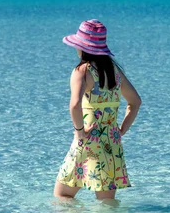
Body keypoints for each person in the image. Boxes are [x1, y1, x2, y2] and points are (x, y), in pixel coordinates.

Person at [54, 19, 142, 201]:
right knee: (107, 203)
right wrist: (122, 130)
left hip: (88, 138)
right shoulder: (115, 71)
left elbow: (74, 104)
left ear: (82, 47)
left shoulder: (82, 71)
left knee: (62, 195)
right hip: (111, 141)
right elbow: (135, 102)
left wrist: (79, 132)